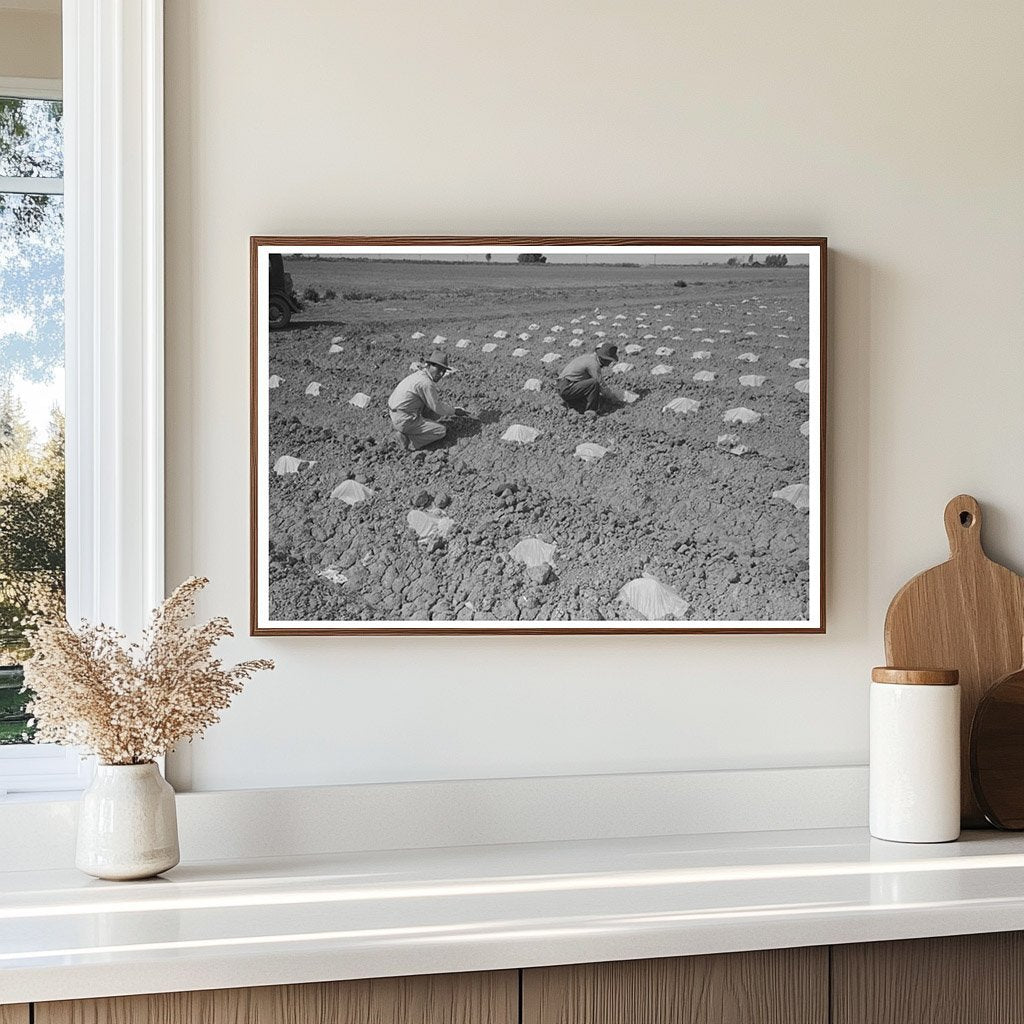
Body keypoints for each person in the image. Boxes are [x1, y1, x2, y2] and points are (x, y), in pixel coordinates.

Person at [388, 350, 465, 450]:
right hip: (404, 419)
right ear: (429, 366)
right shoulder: (426, 383)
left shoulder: (419, 375)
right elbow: (437, 407)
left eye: (444, 371)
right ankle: (408, 439)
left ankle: (412, 428)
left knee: (429, 407)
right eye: (439, 369)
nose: (441, 373)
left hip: (396, 413)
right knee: (441, 431)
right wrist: (454, 411)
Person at [556, 341, 619, 414]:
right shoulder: (593, 364)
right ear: (604, 359)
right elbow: (601, 384)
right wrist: (613, 398)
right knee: (593, 384)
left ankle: (574, 404)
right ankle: (590, 411)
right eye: (609, 361)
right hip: (567, 388)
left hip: (563, 385)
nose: (609, 364)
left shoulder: (588, 357)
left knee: (590, 387)